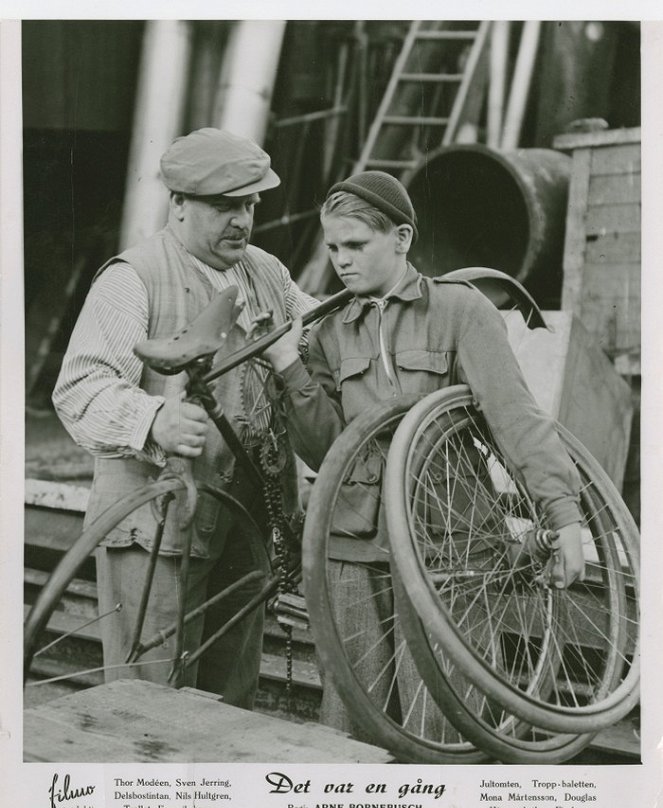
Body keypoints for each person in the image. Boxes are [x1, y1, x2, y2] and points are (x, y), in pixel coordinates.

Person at [263, 171, 585, 734]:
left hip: (449, 546)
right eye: (334, 247)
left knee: (445, 723)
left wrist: (564, 514)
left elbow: (516, 419)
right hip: (353, 549)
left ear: (403, 238)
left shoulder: (460, 311)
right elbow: (325, 452)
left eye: (357, 245)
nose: (342, 260)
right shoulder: (332, 332)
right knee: (350, 725)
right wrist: (290, 366)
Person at [53, 127, 316, 709]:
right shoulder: (133, 278)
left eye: (250, 204)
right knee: (148, 703)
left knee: (230, 699)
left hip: (243, 522)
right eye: (225, 206)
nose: (242, 221)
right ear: (178, 203)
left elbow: (318, 328)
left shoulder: (264, 270)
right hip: (157, 528)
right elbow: (79, 388)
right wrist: (153, 420)